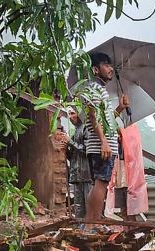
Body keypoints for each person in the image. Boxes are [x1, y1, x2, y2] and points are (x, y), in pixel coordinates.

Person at [84, 52, 130, 227]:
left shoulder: (98, 90)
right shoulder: (95, 89)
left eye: (111, 65)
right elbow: (93, 116)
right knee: (101, 184)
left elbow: (105, 120)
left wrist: (120, 108)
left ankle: (90, 223)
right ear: (95, 69)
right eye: (106, 65)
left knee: (98, 184)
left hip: (99, 145)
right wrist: (104, 141)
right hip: (101, 145)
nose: (111, 69)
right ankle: (92, 224)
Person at [57, 108, 91, 218]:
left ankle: (92, 226)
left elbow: (87, 150)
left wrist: (70, 142)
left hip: (86, 174)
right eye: (69, 114)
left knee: (89, 205)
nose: (71, 117)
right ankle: (80, 228)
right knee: (78, 207)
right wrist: (66, 149)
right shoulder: (75, 132)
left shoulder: (86, 129)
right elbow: (72, 157)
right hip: (76, 175)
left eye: (73, 113)